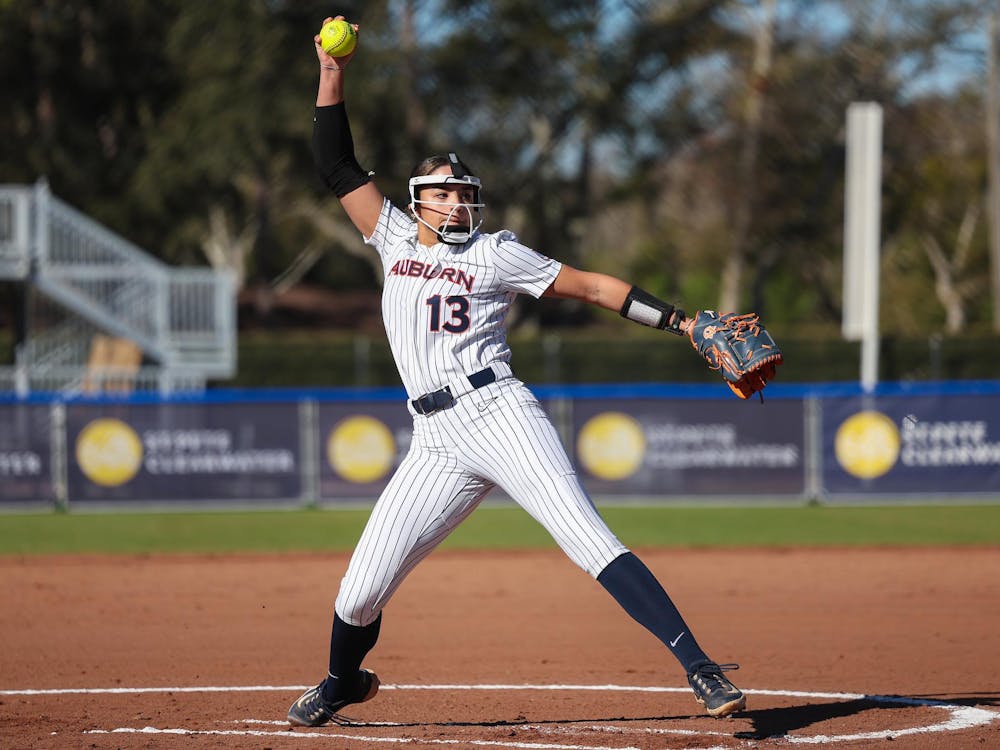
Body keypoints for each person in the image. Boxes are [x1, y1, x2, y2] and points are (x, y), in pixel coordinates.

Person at [288, 15, 747, 727]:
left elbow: (595, 287)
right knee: (357, 594)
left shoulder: (497, 252)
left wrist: (684, 322)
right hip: (433, 439)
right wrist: (331, 71)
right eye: (443, 191)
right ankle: (342, 681)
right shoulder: (391, 234)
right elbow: (335, 164)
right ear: (419, 200)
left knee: (588, 538)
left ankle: (702, 668)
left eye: (463, 190)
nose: (457, 199)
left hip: (498, 411)